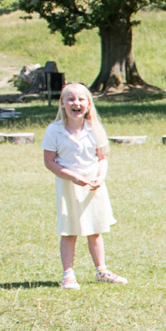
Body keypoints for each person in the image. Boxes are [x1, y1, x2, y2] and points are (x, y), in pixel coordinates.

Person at [42, 82, 126, 290]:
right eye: (71, 99)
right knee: (70, 231)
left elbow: (102, 157)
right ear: (62, 103)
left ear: (88, 104)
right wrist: (70, 176)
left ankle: (101, 270)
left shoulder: (94, 129)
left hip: (92, 186)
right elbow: (49, 161)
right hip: (69, 186)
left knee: (95, 230)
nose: (76, 103)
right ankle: (68, 274)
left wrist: (100, 177)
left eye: (81, 99)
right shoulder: (54, 131)